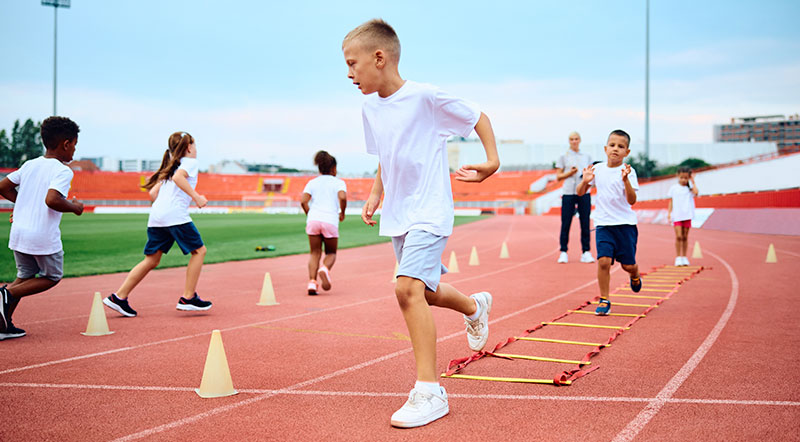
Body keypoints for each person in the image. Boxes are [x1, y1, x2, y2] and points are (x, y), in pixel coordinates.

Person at [343, 19, 500, 428]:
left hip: (430, 209)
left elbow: (478, 116)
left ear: (379, 58)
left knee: (406, 289)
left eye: (352, 63)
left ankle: (430, 391)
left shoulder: (425, 97)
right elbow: (387, 154)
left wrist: (492, 161)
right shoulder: (369, 107)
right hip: (398, 213)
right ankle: (474, 306)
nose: (349, 73)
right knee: (424, 292)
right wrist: (376, 193)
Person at [103, 132, 211, 317]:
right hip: (175, 216)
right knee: (199, 251)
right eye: (194, 145)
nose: (196, 149)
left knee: (151, 260)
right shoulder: (189, 163)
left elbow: (153, 194)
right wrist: (196, 197)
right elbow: (178, 178)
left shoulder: (171, 166)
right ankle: (188, 297)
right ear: (188, 147)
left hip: (157, 217)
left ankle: (119, 297)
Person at [0, 116, 84, 340]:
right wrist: (75, 207)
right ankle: (5, 293)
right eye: (74, 145)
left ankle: (3, 325)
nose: (74, 150)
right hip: (42, 235)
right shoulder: (63, 171)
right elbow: (52, 199)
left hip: (19, 232)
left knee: (25, 275)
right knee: (52, 276)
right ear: (66, 143)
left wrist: (24, 204)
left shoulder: (30, 164)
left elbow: (3, 186)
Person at [576, 129, 642, 316]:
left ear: (627, 152)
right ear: (605, 149)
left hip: (625, 225)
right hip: (604, 225)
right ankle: (604, 299)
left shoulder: (629, 172)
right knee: (604, 261)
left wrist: (625, 180)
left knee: (628, 265)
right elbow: (580, 192)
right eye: (612, 145)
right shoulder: (597, 169)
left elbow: (632, 200)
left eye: (620, 146)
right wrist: (585, 182)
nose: (615, 149)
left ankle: (635, 274)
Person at [300, 150, 347, 295]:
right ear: (334, 168)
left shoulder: (312, 183)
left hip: (313, 219)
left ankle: (312, 282)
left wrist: (310, 214)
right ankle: (325, 269)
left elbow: (303, 201)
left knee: (314, 253)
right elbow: (342, 197)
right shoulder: (338, 182)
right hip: (330, 220)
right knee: (331, 252)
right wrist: (342, 212)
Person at [555, 131, 594, 264]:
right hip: (568, 193)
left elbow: (591, 174)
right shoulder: (563, 156)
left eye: (576, 139)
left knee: (585, 222)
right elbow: (558, 176)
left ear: (580, 140)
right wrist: (570, 173)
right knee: (566, 222)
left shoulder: (587, 156)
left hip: (584, 192)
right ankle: (563, 252)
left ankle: (586, 252)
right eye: (572, 139)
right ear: (569, 141)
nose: (574, 141)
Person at [667, 166, 698, 266]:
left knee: (685, 237)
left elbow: (696, 193)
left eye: (686, 178)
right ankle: (678, 257)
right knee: (679, 236)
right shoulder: (674, 188)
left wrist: (692, 181)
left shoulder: (689, 189)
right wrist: (669, 213)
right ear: (678, 176)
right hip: (677, 215)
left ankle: (684, 257)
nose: (683, 180)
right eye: (681, 177)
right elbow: (671, 201)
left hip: (687, 215)